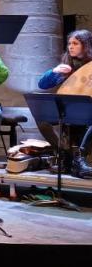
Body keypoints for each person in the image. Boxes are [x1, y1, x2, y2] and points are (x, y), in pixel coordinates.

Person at [37, 30, 92, 178]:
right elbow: (42, 84)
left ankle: (78, 158)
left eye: (75, 43)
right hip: (68, 109)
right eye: (69, 43)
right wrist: (54, 71)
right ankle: (63, 155)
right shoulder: (66, 66)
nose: (70, 47)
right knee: (43, 121)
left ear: (86, 45)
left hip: (87, 109)